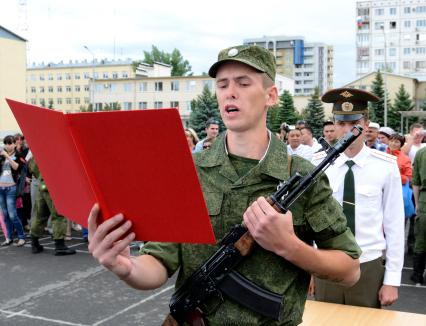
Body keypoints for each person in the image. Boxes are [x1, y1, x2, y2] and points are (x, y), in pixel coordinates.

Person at [88, 44, 361, 325]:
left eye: (243, 83)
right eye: (222, 84)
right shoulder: (190, 171)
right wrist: (124, 266)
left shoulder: (301, 177)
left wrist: (288, 246)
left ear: (271, 95)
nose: (230, 92)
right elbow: (159, 261)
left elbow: (350, 269)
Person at [311, 88, 405, 308]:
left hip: (368, 264)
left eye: (353, 122)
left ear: (365, 123)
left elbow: (394, 225)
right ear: (333, 125)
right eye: (341, 123)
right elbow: (310, 222)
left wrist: (392, 280)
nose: (347, 130)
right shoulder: (320, 166)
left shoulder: (385, 166)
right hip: (327, 261)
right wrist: (309, 270)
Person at [29, 159, 76, 255]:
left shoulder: (39, 149)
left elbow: (32, 167)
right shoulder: (55, 148)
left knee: (39, 216)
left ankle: (34, 243)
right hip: (54, 184)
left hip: (42, 184)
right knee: (58, 215)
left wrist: (42, 176)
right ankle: (60, 246)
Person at [0, 135, 26, 247]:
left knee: (12, 215)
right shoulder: (1, 156)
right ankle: (9, 237)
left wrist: (7, 157)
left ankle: (21, 237)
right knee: (5, 215)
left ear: (15, 144)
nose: (7, 145)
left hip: (11, 188)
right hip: (1, 188)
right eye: (6, 143)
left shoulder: (19, 155)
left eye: (10, 143)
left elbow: (16, 167)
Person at [410, 146, 426, 284]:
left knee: (421, 239)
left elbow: (416, 182)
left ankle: (417, 274)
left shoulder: (421, 152)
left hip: (424, 199)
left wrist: (417, 204)